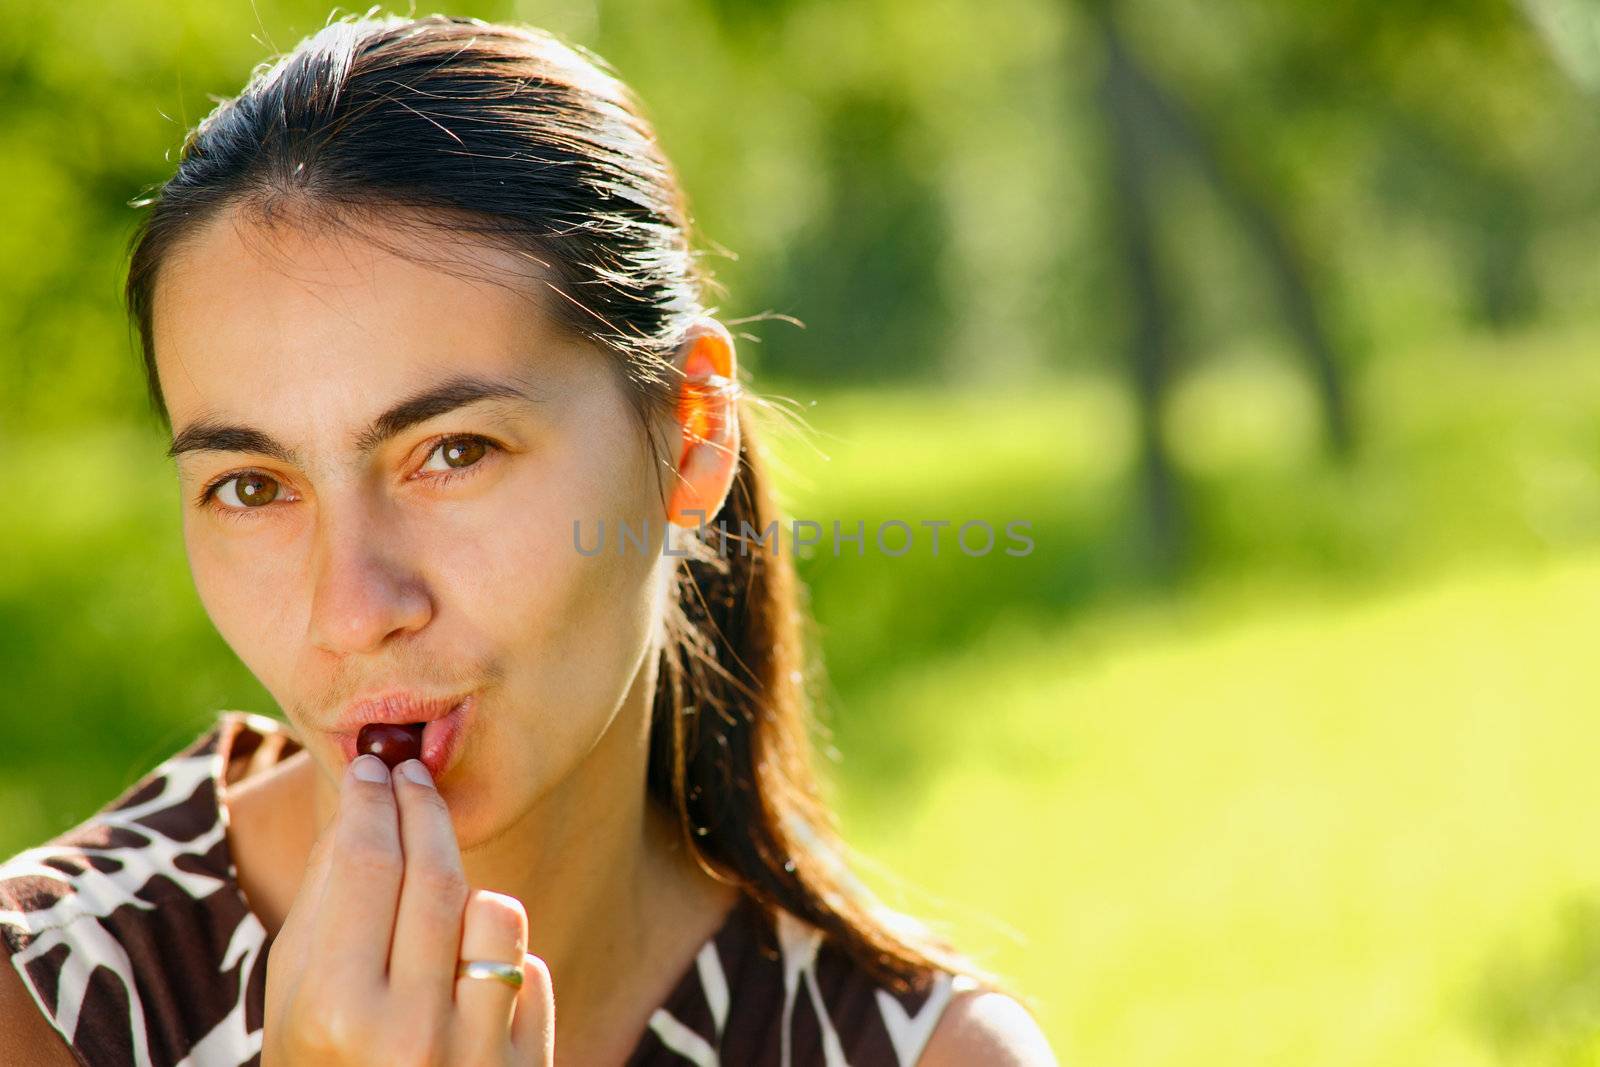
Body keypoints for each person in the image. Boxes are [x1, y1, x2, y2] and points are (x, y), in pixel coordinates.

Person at [0, 12, 1058, 1066]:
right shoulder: (46, 1002)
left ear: (692, 431)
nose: (355, 609)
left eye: (452, 452)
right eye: (251, 485)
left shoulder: (925, 1053)